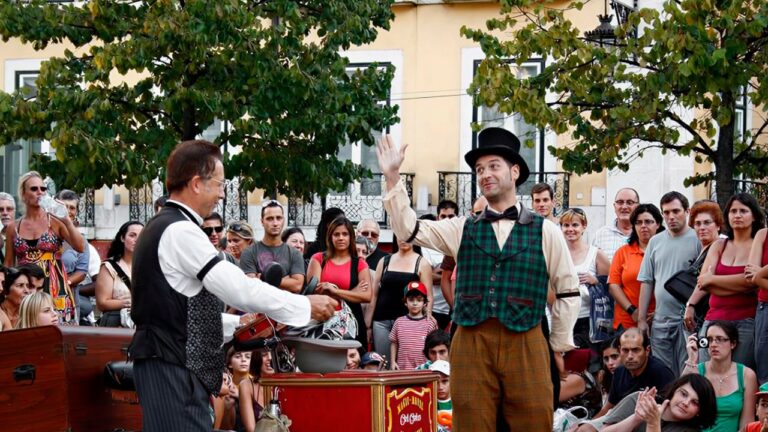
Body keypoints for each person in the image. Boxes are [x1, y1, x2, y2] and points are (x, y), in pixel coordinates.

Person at [378, 128, 580, 430]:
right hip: (471, 340)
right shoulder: (462, 227)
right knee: (471, 422)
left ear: (515, 172)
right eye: (479, 169)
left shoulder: (545, 230)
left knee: (534, 421)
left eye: (493, 166)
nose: (485, 174)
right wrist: (393, 177)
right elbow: (408, 229)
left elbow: (567, 291)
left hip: (527, 340)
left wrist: (557, 343)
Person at [128, 139, 336, 432]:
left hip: (169, 361)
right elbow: (238, 288)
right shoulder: (180, 230)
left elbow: (183, 309)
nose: (223, 194)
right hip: (171, 364)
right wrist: (304, 305)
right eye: (220, 184)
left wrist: (240, 322)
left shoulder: (167, 225)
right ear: (197, 183)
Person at [4, 171, 85, 325]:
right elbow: (8, 263)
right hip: (26, 284)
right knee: (27, 327)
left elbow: (80, 247)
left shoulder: (54, 220)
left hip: (53, 281)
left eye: (43, 188)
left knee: (58, 329)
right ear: (23, 193)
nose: (40, 192)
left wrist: (67, 220)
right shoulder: (13, 227)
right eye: (34, 189)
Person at [694, 193, 762, 370]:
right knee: (704, 371)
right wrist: (738, 284)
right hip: (712, 320)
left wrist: (714, 281)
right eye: (733, 211)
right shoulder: (719, 245)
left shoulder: (759, 244)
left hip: (745, 321)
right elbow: (703, 282)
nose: (737, 215)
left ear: (754, 215)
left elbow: (751, 282)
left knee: (740, 374)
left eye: (743, 211)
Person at [637, 191, 701, 377]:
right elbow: (647, 281)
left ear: (687, 211)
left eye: (676, 211)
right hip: (660, 321)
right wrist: (641, 320)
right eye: (666, 212)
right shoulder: (655, 241)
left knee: (687, 372)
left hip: (688, 320)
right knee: (663, 374)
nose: (671, 217)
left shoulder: (697, 238)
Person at [307, 216, 372, 348]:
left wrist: (334, 291)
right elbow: (314, 291)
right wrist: (352, 293)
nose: (341, 238)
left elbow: (367, 296)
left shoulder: (359, 264)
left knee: (353, 364)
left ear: (351, 237)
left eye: (345, 234)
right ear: (330, 237)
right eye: (336, 234)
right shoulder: (318, 259)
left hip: (351, 323)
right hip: (322, 321)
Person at [366, 234, 432, 362]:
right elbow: (374, 295)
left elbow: (428, 296)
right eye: (400, 235)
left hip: (409, 323)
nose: (403, 239)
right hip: (381, 321)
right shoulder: (385, 261)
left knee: (406, 363)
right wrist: (368, 325)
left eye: (407, 236)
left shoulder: (422, 263)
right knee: (383, 363)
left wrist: (426, 319)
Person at [682, 320, 758, 431]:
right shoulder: (696, 370)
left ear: (733, 344)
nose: (713, 344)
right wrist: (691, 359)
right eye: (709, 340)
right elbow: (677, 403)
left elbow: (747, 423)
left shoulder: (747, 375)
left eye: (720, 339)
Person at [576, 374, 718, 432]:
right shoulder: (641, 400)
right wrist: (637, 418)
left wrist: (653, 424)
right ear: (674, 391)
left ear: (700, 411)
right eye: (683, 394)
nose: (685, 403)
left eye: (695, 402)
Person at [591, 328, 676, 420]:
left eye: (635, 350)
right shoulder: (619, 372)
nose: (630, 356)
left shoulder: (661, 372)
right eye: (625, 350)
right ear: (620, 350)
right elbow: (609, 406)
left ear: (647, 350)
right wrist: (589, 423)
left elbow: (670, 409)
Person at [609, 204, 665, 331]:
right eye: (638, 222)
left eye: (648, 222)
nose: (643, 226)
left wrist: (660, 312)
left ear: (658, 224)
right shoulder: (623, 252)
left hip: (660, 320)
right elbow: (613, 285)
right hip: (627, 322)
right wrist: (632, 311)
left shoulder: (667, 252)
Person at [560, 208, 610, 347]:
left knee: (591, 364)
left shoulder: (596, 254)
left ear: (584, 226)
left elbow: (611, 287)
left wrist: (596, 281)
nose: (570, 229)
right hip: (563, 320)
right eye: (566, 225)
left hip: (589, 320)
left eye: (575, 225)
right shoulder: (557, 252)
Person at [239, 201, 305, 293]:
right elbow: (251, 287)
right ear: (262, 221)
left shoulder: (294, 253)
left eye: (279, 218)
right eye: (270, 219)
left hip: (285, 306)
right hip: (260, 306)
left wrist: (264, 278)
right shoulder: (249, 252)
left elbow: (297, 286)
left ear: (283, 220)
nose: (275, 223)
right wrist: (286, 280)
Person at [682, 200, 724, 333]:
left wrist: (691, 304)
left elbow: (706, 281)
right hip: (698, 317)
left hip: (712, 319)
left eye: (707, 222)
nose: (702, 227)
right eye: (697, 223)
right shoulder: (702, 248)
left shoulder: (721, 245)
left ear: (718, 225)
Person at [95, 221, 143, 327]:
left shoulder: (149, 266)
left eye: (141, 236)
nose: (137, 240)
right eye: (132, 235)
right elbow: (102, 303)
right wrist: (126, 303)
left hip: (143, 325)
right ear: (122, 238)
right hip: (117, 324)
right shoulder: (109, 267)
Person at [389, 281, 438, 370]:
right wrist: (393, 362)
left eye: (419, 300)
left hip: (424, 369)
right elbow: (394, 342)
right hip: (403, 369)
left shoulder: (430, 323)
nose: (415, 303)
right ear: (405, 302)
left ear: (425, 303)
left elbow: (435, 345)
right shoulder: (399, 322)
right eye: (411, 299)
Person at [592, 188, 640, 261]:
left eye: (629, 202)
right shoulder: (601, 234)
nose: (624, 207)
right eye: (620, 202)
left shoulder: (645, 234)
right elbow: (592, 266)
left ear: (638, 207)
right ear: (614, 206)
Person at [746, 226, 768, 385]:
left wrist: (760, 273)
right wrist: (760, 275)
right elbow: (751, 276)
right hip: (765, 307)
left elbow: (758, 275)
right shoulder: (763, 234)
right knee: (764, 368)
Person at [238, 349, 275, 432]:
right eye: (264, 354)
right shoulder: (246, 385)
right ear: (256, 358)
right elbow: (251, 429)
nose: (270, 358)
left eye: (273, 353)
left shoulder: (286, 385)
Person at [0, 192, 16, 263]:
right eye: (1, 209)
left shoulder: (23, 236)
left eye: (9, 209)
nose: (5, 213)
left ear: (14, 212)